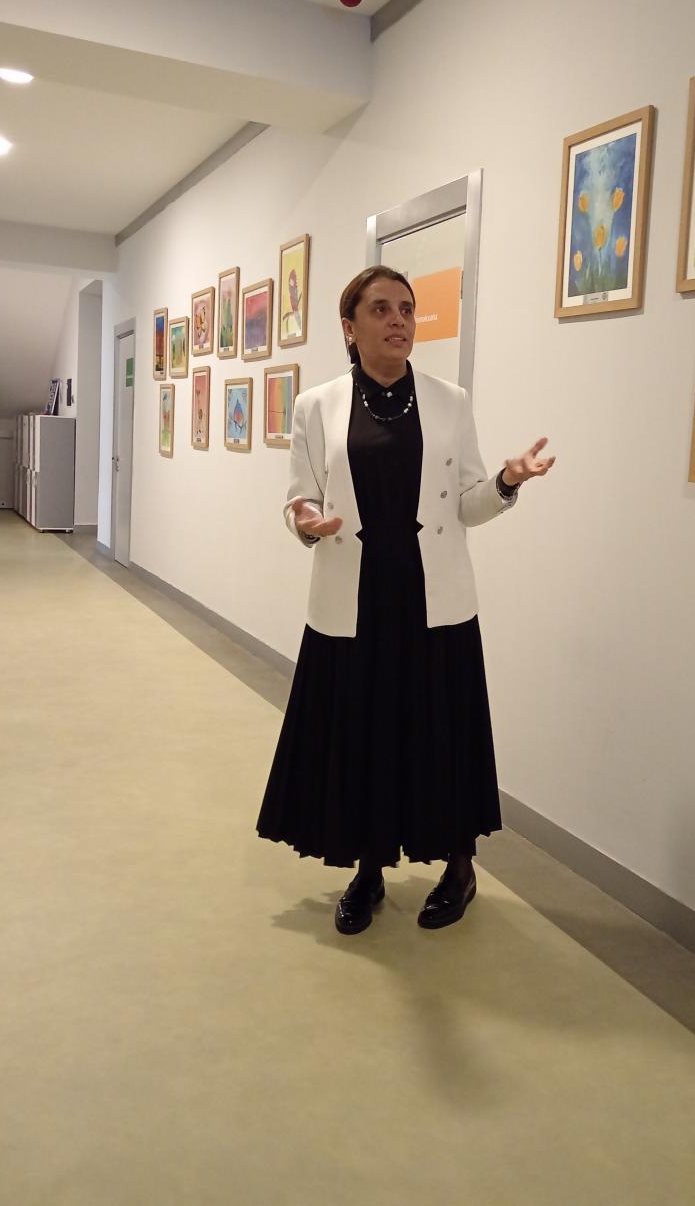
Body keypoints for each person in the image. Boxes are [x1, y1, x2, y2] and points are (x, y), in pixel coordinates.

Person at [256, 265, 555, 935]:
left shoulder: (451, 400)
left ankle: (459, 865)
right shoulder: (317, 406)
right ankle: (368, 870)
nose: (398, 320)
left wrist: (506, 481)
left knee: (440, 735)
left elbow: (468, 504)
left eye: (407, 309)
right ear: (350, 326)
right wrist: (305, 520)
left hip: (433, 600)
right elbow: (299, 496)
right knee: (363, 736)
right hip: (352, 599)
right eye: (381, 309)